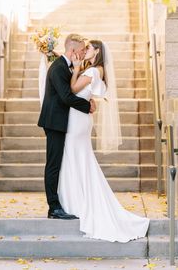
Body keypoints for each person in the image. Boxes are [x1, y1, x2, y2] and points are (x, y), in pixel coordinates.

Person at [58, 40, 150, 242]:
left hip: (78, 121)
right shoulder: (95, 70)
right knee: (79, 158)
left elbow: (72, 89)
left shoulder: (92, 72)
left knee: (76, 157)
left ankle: (78, 201)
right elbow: (88, 93)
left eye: (89, 48)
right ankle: (77, 199)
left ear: (97, 51)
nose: (85, 51)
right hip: (80, 119)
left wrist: (74, 69)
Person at [38, 33, 96, 220]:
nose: (82, 54)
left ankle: (60, 202)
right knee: (53, 164)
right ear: (72, 51)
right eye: (80, 51)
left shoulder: (66, 66)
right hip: (54, 122)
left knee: (57, 163)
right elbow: (66, 97)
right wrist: (87, 107)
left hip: (60, 121)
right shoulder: (58, 68)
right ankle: (53, 207)